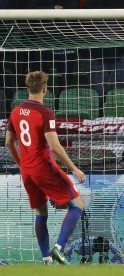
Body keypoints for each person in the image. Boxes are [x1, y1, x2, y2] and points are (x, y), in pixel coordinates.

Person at [5, 71, 86, 265]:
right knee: (77, 206)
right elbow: (55, 147)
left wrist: (21, 163)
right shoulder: (45, 113)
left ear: (27, 89)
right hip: (44, 168)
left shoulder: (15, 111)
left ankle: (46, 260)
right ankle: (58, 249)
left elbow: (8, 142)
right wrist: (74, 168)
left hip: (27, 172)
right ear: (45, 89)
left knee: (41, 214)